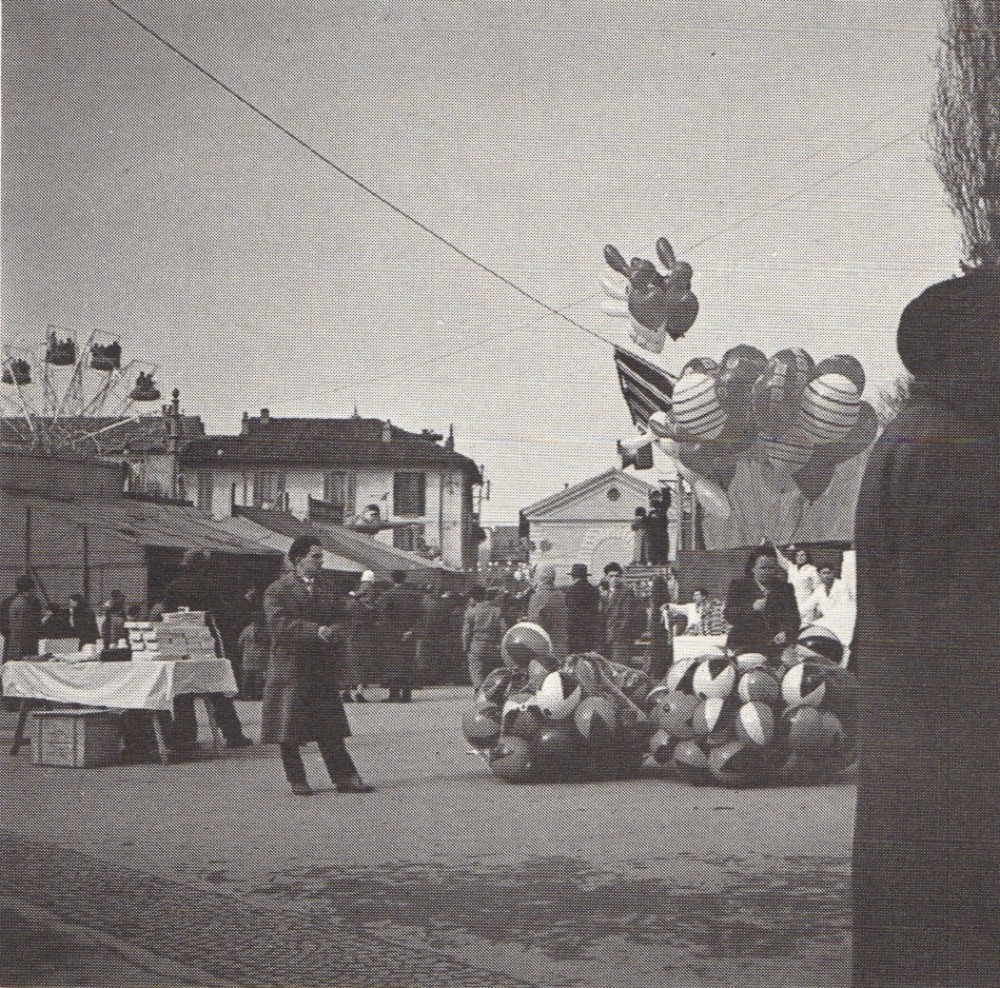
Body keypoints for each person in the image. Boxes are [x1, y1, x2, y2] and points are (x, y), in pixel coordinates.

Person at [852, 269, 1000, 987]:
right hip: (964, 769)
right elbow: (971, 629)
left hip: (919, 756)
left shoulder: (914, 435)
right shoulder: (959, 448)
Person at [262, 536, 374, 795]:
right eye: (316, 557)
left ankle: (346, 777)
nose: (321, 562)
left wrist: (337, 628)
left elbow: (343, 614)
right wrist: (315, 630)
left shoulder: (327, 587)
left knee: (330, 725)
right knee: (287, 727)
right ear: (298, 559)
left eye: (321, 556)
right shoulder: (277, 590)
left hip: (320, 666)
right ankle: (297, 779)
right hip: (290, 666)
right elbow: (278, 624)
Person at [159, 551, 251, 749]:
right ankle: (232, 734)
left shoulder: (172, 587)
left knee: (183, 692)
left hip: (180, 644)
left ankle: (186, 737)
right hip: (206, 643)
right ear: (202, 566)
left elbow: (165, 615)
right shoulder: (208, 585)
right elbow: (223, 614)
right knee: (218, 689)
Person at [723, 546, 800, 659]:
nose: (768, 572)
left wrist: (787, 633)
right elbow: (729, 615)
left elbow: (794, 618)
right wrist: (752, 608)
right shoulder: (739, 586)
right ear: (752, 568)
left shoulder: (785, 588)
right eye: (763, 568)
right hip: (743, 646)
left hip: (775, 648)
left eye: (772, 568)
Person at [376, 570, 423, 702]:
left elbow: (383, 616)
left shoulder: (388, 595)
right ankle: (407, 694)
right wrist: (411, 631)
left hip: (393, 635)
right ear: (405, 578)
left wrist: (397, 633)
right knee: (408, 662)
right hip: (410, 634)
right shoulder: (415, 596)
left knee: (393, 663)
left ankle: (394, 694)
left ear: (392, 579)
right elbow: (421, 615)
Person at [342, 570, 379, 702]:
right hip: (363, 635)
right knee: (362, 663)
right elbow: (374, 617)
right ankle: (359, 692)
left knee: (349, 663)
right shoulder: (370, 605)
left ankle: (346, 692)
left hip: (349, 635)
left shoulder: (349, 602)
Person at [462, 585, 506, 689]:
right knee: (493, 671)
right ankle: (493, 691)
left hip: (477, 646)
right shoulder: (496, 610)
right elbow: (504, 629)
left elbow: (466, 632)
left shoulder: (470, 612)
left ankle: (479, 691)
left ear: (473, 598)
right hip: (494, 646)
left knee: (476, 671)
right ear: (485, 595)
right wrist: (501, 644)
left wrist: (465, 646)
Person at [800, 563, 854, 648]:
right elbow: (807, 606)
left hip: (845, 623)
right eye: (824, 573)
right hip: (828, 623)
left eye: (828, 573)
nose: (826, 576)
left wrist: (824, 622)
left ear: (833, 573)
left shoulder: (841, 586)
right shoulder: (819, 590)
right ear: (819, 576)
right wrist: (795, 616)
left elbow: (844, 609)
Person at [526, 565, 568, 662]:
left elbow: (535, 627)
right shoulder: (561, 596)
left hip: (544, 649)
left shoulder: (537, 597)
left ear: (540, 579)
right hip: (561, 647)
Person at [601, 562, 639, 665]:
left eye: (617, 576)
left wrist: (617, 632)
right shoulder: (605, 593)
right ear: (606, 577)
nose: (614, 578)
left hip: (620, 637)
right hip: (605, 637)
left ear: (621, 577)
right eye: (611, 576)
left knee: (620, 667)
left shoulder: (626, 592)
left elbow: (627, 617)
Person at [563, 563, 603, 654]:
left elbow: (570, 613)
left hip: (575, 632)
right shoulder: (594, 590)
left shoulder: (571, 591)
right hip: (591, 631)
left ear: (573, 576)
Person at [237, 589, 269, 701]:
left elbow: (240, 643)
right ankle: (257, 694)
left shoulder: (247, 629)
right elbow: (268, 643)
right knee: (259, 676)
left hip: (248, 656)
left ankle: (245, 694)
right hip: (261, 657)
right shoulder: (266, 630)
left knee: (247, 676)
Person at [3, 575, 41, 663]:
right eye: (34, 588)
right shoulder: (24, 603)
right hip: (22, 645)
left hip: (15, 642)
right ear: (30, 589)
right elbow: (22, 627)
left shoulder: (12, 601)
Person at [776, 545, 819, 614]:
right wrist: (772, 545)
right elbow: (780, 558)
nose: (800, 557)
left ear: (807, 557)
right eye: (797, 555)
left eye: (803, 555)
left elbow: (817, 589)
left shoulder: (812, 569)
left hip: (806, 602)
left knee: (806, 624)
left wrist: (817, 606)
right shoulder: (791, 568)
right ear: (795, 557)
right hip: (791, 602)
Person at [646, 574, 673, 680]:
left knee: (656, 648)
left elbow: (655, 614)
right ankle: (659, 671)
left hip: (656, 625)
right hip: (662, 627)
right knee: (661, 648)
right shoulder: (665, 598)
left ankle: (655, 670)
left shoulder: (655, 597)